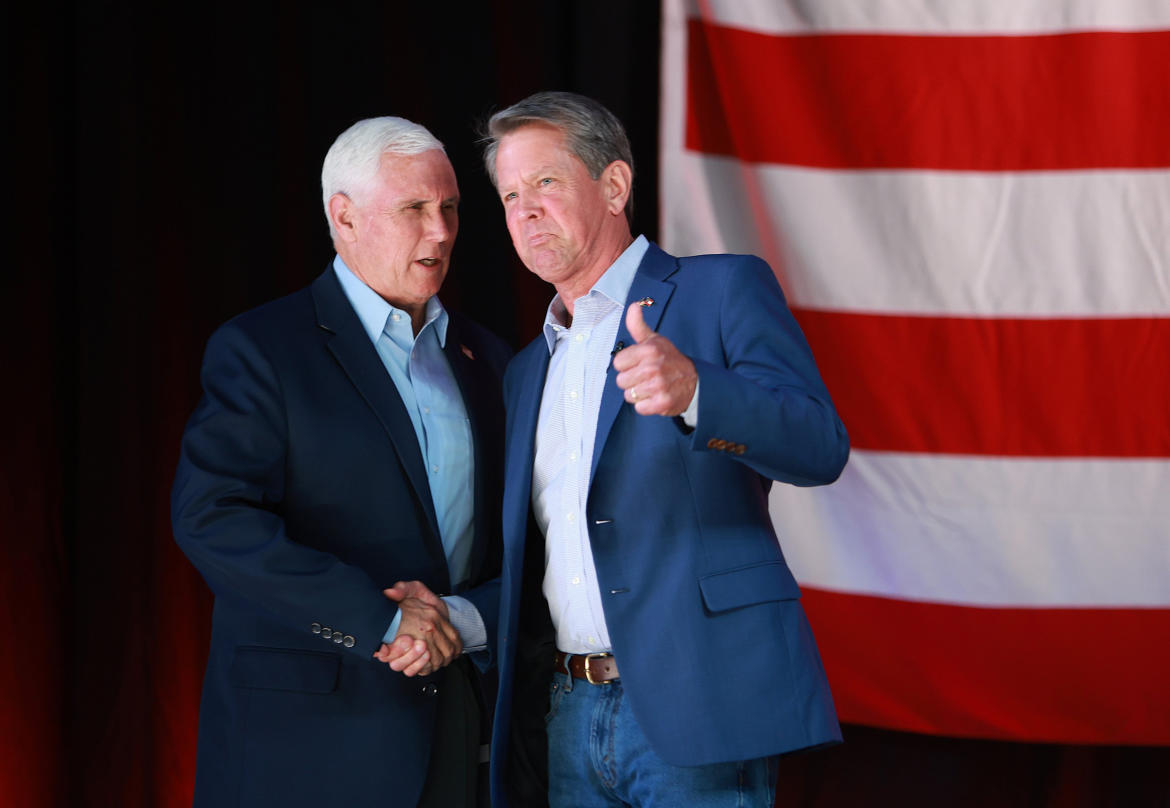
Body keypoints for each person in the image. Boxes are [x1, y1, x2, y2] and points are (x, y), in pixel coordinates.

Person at [482, 92, 850, 808]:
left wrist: (696, 394)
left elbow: (819, 445)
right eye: (509, 195)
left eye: (546, 183)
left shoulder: (720, 290)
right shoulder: (526, 369)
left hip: (699, 701)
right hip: (567, 712)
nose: (525, 210)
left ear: (615, 185)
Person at [171, 116, 509, 808]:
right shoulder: (263, 349)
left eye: (449, 209)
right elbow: (212, 518)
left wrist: (460, 620)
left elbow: (527, 549)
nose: (441, 232)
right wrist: (382, 619)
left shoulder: (491, 361)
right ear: (344, 216)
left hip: (458, 734)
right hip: (306, 744)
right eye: (414, 209)